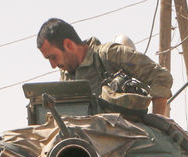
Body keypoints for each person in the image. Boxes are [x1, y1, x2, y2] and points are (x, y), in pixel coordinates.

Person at [37, 18, 172, 116]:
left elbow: (160, 77)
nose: (53, 65)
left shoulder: (110, 55)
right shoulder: (66, 74)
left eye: (53, 57)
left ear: (68, 45)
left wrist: (157, 122)